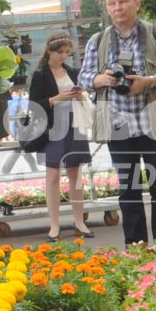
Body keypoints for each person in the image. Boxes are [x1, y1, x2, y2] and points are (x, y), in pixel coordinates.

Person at [80, 0, 156, 246]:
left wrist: (148, 81)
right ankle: (136, 248)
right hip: (118, 125)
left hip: (155, 122)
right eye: (112, 3)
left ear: (137, 4)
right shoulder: (97, 41)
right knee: (129, 189)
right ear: (107, 8)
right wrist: (101, 79)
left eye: (123, 2)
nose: (118, 8)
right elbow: (83, 77)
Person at [27, 34, 92, 239]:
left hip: (75, 124)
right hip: (53, 126)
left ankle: (79, 221)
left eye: (66, 52)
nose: (64, 56)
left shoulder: (72, 71)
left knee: (76, 173)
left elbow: (83, 93)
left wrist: (80, 95)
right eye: (60, 52)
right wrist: (58, 98)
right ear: (49, 51)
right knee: (52, 175)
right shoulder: (40, 74)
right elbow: (34, 105)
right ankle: (54, 224)